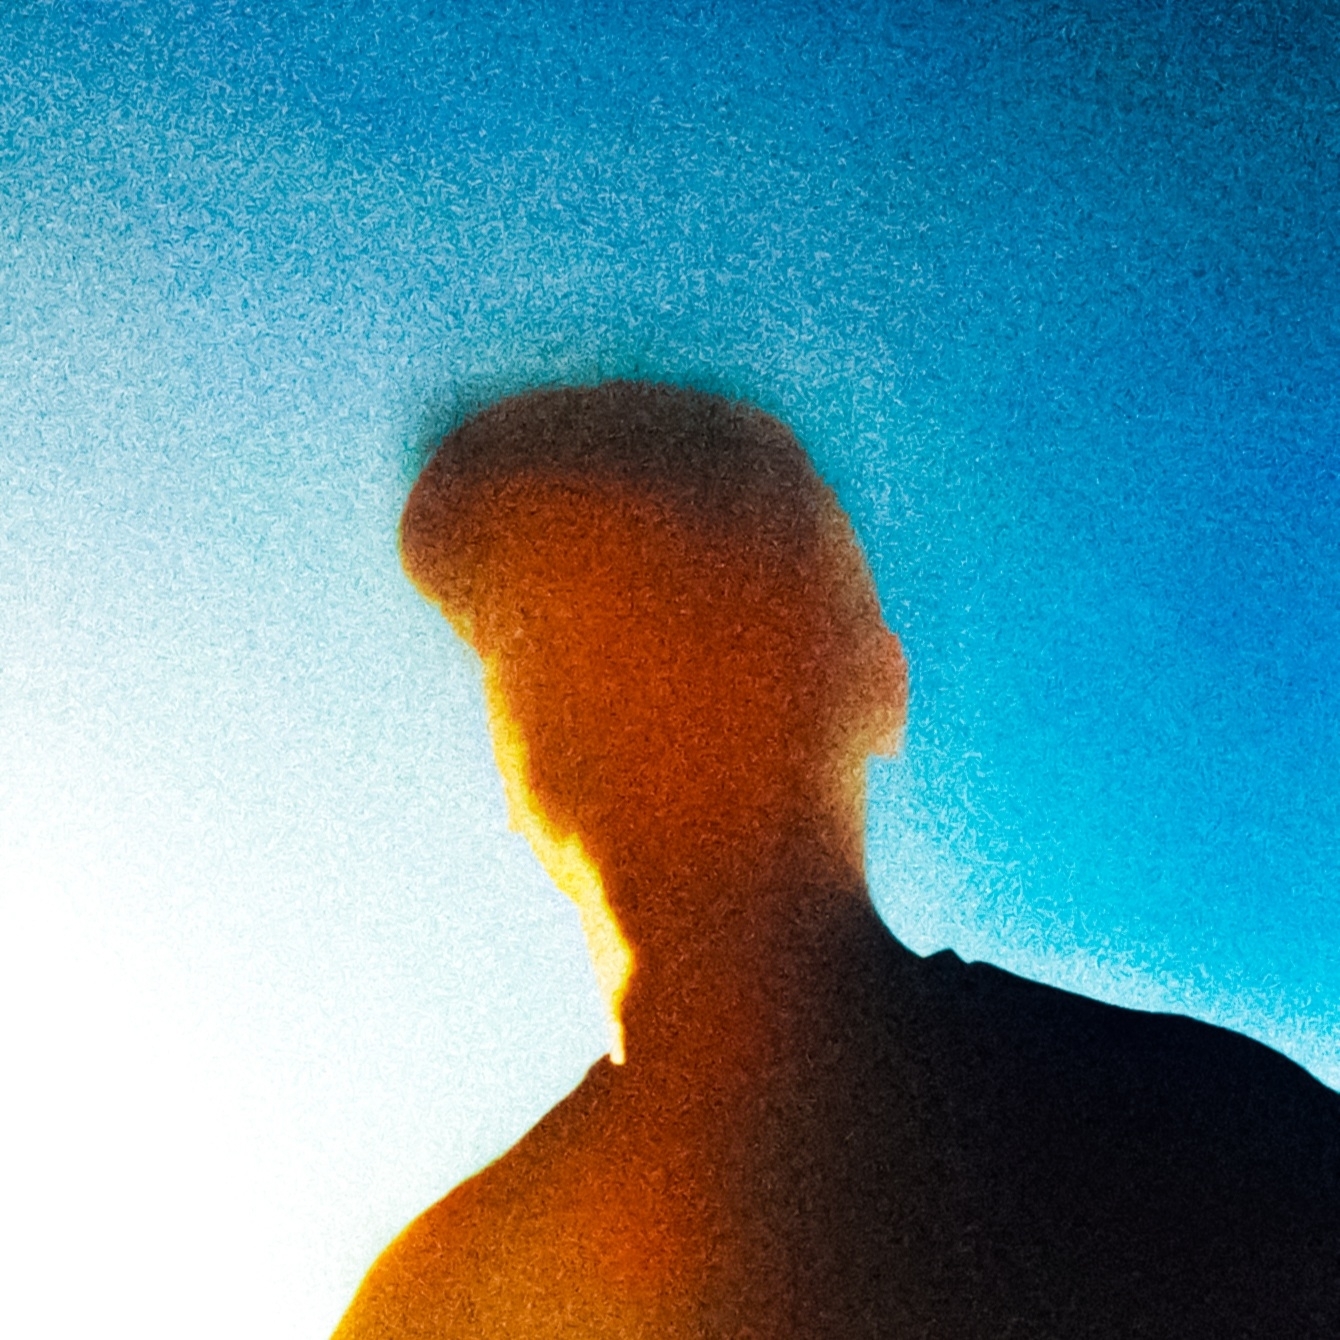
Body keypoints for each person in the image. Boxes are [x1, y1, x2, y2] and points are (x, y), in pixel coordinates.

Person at [334, 381, 1339, 1339]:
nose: (625, 650)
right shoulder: (437, 1299)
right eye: (534, 615)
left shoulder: (1214, 1143)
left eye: (695, 584)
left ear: (880, 686)